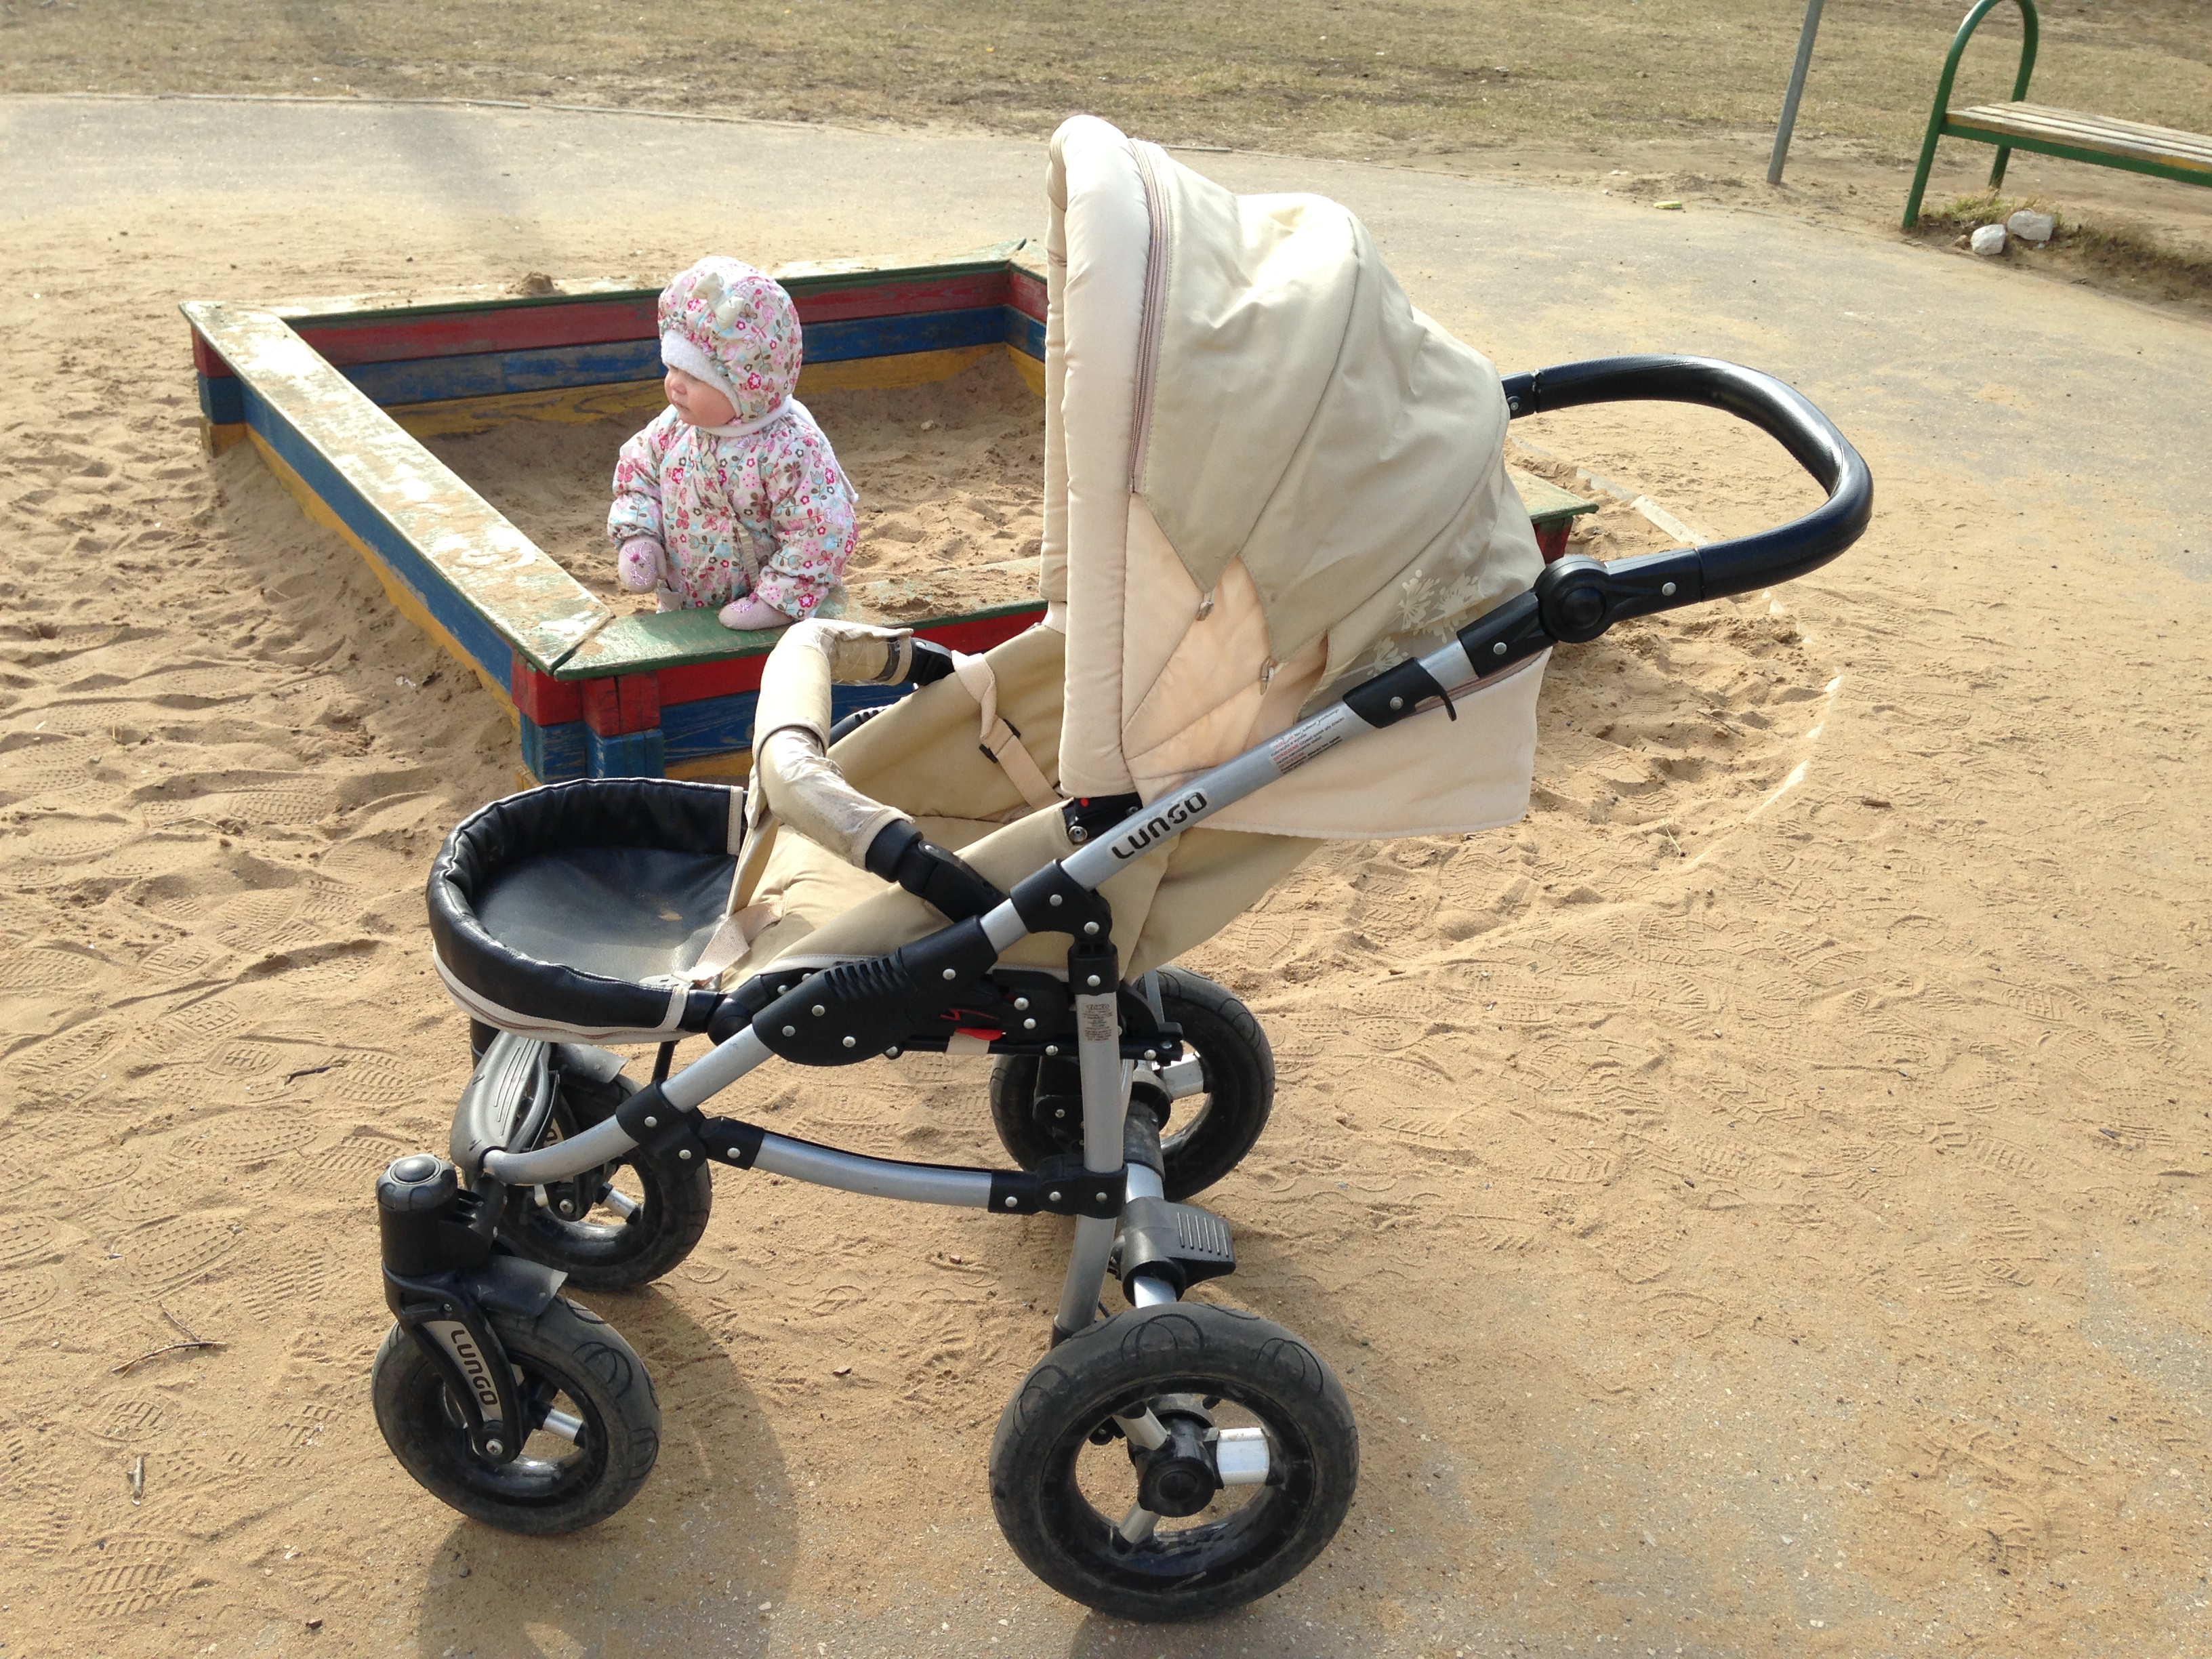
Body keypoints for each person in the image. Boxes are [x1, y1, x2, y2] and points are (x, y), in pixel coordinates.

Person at [609, 257, 857, 630]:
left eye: (694, 376)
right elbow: (638, 477)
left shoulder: (789, 448)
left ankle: (777, 602)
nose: (675, 385)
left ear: (744, 386)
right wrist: (639, 537)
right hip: (685, 605)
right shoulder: (672, 427)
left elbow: (820, 530)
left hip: (776, 620)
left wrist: (777, 602)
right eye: (672, 368)